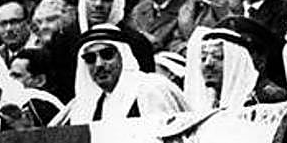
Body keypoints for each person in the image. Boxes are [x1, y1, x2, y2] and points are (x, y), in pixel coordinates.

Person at [53, 24, 187, 124]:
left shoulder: (149, 89)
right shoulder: (82, 106)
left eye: (107, 55)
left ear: (123, 56)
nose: (98, 64)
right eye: (90, 59)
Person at [183, 26, 260, 110]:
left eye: (217, 57)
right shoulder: (209, 102)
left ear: (235, 63)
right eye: (203, 58)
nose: (208, 64)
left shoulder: (260, 100)